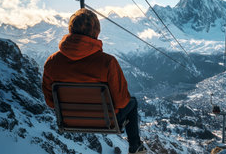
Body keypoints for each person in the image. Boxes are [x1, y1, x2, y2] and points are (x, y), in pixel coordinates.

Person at [42, 8, 147, 154]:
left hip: (70, 120)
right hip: (105, 120)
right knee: (132, 102)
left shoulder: (52, 62)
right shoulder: (107, 62)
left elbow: (51, 102)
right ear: (96, 31)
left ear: (71, 29)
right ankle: (135, 147)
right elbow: (121, 102)